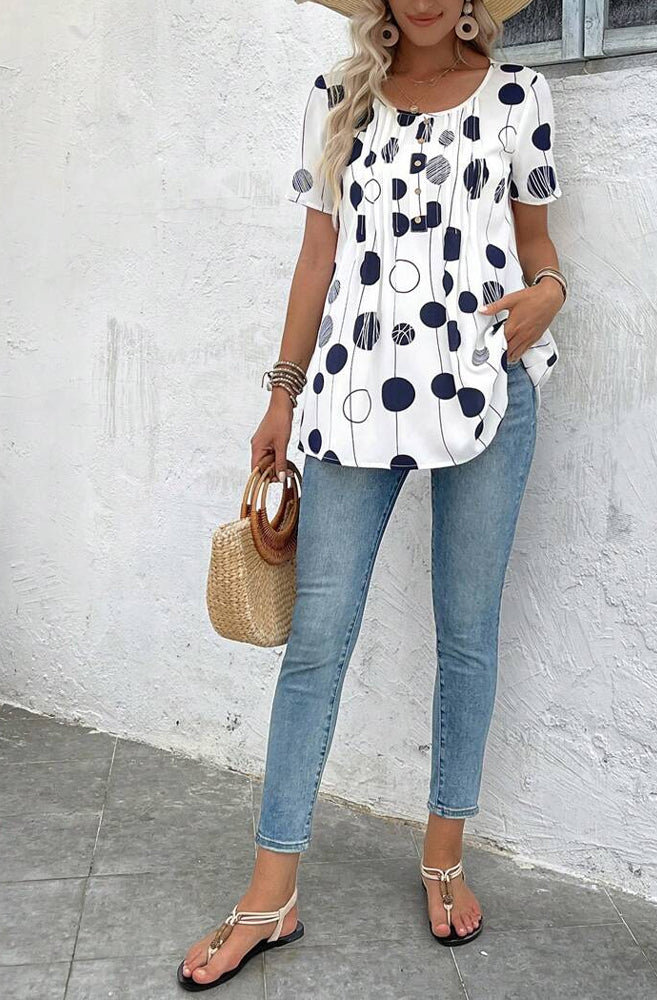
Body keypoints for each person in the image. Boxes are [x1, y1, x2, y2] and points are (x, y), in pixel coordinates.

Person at [178, 0, 567, 989]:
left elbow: (539, 250)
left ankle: (443, 855)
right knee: (316, 640)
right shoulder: (337, 97)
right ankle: (270, 892)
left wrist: (548, 297)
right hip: (354, 390)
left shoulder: (519, 96)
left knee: (466, 633)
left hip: (486, 383)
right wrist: (282, 392)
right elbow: (318, 256)